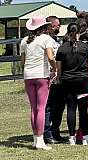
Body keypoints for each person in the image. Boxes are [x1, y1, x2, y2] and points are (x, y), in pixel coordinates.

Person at [56, 22, 88, 145]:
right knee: (83, 110)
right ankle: (84, 138)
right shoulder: (85, 47)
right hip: (82, 81)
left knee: (71, 109)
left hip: (67, 81)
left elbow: (59, 69)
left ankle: (71, 138)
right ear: (79, 33)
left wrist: (60, 79)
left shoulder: (62, 48)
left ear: (67, 32)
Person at [20, 16, 57, 150]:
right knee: (41, 108)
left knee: (34, 108)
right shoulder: (46, 39)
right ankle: (40, 140)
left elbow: (22, 61)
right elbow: (50, 56)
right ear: (43, 27)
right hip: (41, 75)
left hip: (28, 75)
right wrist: (54, 67)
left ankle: (36, 139)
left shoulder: (24, 41)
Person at [44, 16, 65, 144]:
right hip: (49, 78)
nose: (58, 28)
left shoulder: (57, 40)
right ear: (50, 26)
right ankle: (47, 134)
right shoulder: (45, 41)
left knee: (60, 106)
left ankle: (55, 131)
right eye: (56, 26)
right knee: (48, 107)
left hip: (59, 79)